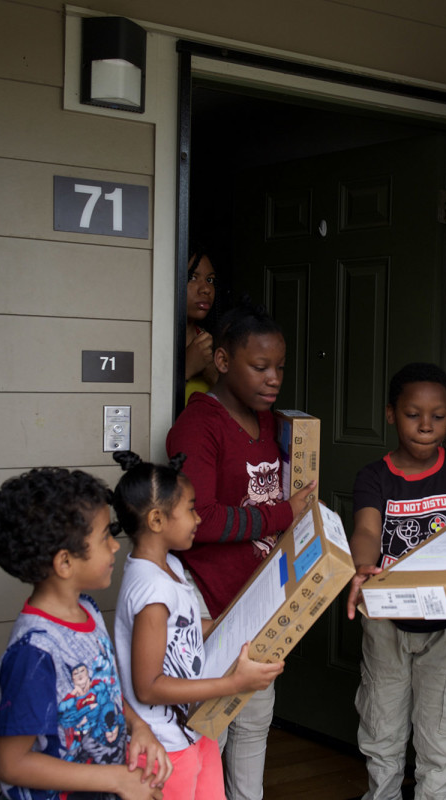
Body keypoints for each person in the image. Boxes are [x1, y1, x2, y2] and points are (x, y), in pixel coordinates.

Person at [166, 301, 317, 800]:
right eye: (260, 366)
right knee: (213, 721)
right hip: (209, 598)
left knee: (255, 716)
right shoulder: (198, 425)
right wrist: (282, 515)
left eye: (279, 367)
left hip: (258, 595)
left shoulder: (272, 423)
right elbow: (200, 519)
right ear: (225, 361)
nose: (273, 378)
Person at [0, 467, 174, 800]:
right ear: (65, 563)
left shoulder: (88, 610)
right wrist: (117, 779)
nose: (115, 546)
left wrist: (137, 727)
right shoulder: (35, 653)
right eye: (104, 537)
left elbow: (103, 694)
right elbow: (12, 765)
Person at [344, 363, 446, 800]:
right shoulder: (375, 476)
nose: (426, 426)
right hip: (386, 621)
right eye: (412, 414)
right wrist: (362, 567)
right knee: (382, 730)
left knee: (443, 738)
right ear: (390, 414)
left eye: (438, 416)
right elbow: (368, 531)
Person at [110, 450, 284, 800]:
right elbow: (149, 687)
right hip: (164, 748)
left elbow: (183, 630)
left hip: (191, 731)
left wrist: (229, 626)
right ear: (158, 520)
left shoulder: (170, 566)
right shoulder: (151, 592)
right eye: (190, 509)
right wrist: (232, 683)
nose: (198, 519)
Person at [185, 246, 218, 402]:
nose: (206, 289)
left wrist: (214, 376)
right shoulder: (154, 341)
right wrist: (186, 369)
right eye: (192, 277)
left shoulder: (213, 345)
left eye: (210, 280)